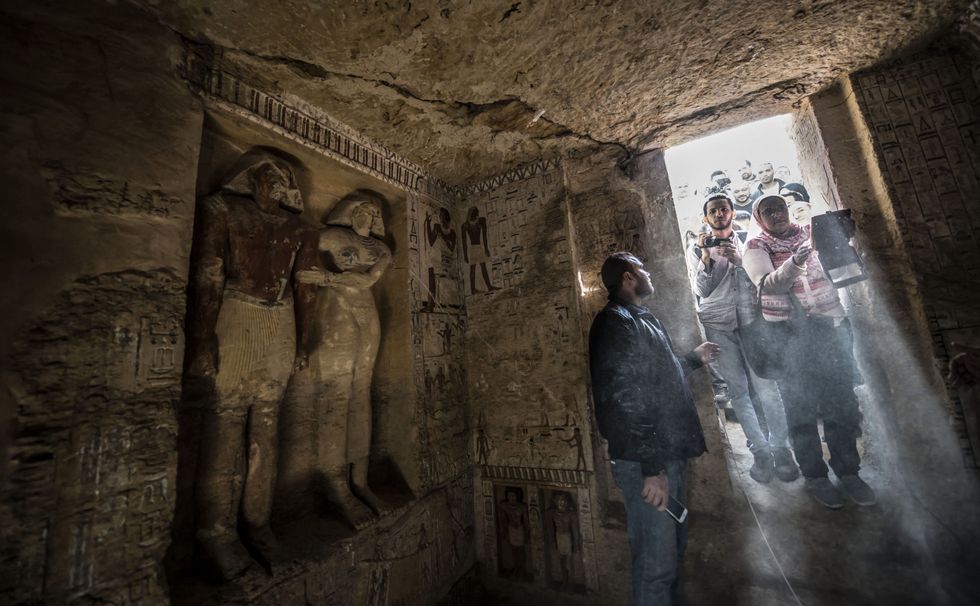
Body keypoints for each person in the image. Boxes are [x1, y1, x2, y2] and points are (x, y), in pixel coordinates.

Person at [186, 151, 319, 578]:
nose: (277, 187)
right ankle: (217, 532)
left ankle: (258, 526)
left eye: (284, 181)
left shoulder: (299, 228)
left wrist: (302, 343)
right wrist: (203, 338)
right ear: (251, 180)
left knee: (267, 424)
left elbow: (305, 289)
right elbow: (209, 272)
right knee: (225, 423)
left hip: (279, 321)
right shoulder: (222, 209)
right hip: (235, 314)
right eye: (269, 178)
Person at [589, 252, 719, 605]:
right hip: (647, 461)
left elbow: (654, 379)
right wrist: (651, 469)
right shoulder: (615, 322)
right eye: (642, 268)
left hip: (666, 453)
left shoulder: (638, 318)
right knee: (656, 565)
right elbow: (623, 396)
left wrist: (693, 359)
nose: (649, 273)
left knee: (670, 556)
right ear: (629, 278)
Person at [743, 195, 876, 509]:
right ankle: (815, 475)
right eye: (769, 211)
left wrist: (843, 238)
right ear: (759, 218)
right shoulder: (756, 247)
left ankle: (848, 471)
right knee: (801, 409)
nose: (777, 214)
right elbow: (767, 283)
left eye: (780, 208)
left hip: (830, 328)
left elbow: (837, 265)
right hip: (789, 338)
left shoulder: (808, 233)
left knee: (840, 403)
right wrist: (795, 262)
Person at [688, 193, 798, 484]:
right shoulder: (697, 248)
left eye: (724, 209)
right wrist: (707, 258)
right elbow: (703, 289)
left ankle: (781, 449)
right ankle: (761, 451)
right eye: (713, 211)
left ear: (733, 213)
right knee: (738, 392)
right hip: (718, 324)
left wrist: (738, 260)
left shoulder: (750, 243)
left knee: (767, 387)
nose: (719, 214)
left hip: (751, 322)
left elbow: (760, 280)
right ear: (706, 218)